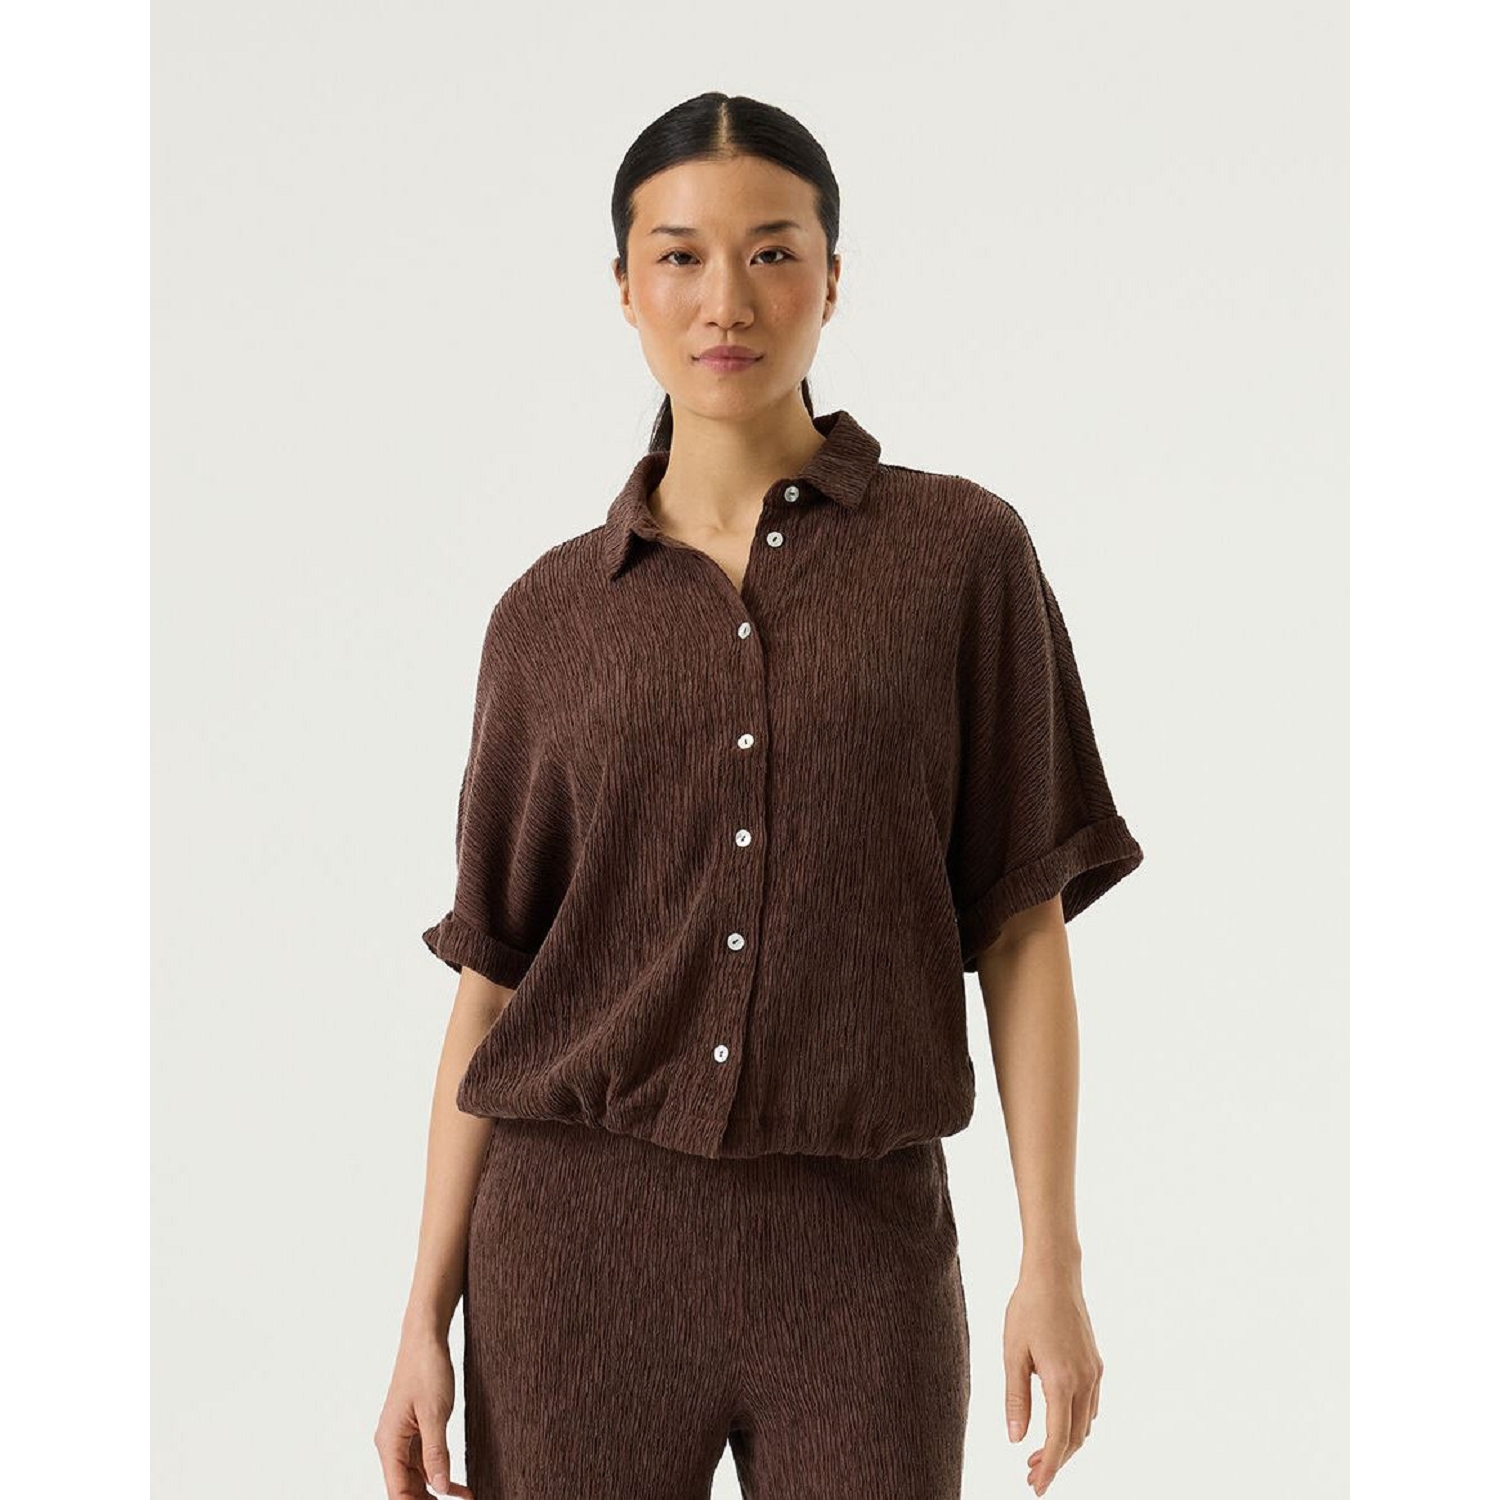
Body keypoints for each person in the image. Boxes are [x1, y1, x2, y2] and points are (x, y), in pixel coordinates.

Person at [374, 91, 1144, 1500]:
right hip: (574, 1248)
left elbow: (1021, 923)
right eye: (678, 255)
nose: (725, 299)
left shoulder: (960, 557)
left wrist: (1054, 1261)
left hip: (861, 1243)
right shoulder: (548, 618)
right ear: (624, 286)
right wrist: (422, 1320)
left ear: (833, 279)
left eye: (773, 252)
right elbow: (495, 979)